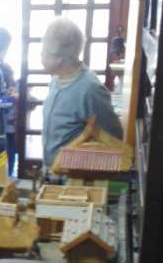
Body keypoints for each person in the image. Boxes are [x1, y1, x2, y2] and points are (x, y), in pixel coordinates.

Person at [41, 17, 123, 168]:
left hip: (73, 176)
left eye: (43, 52)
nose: (40, 56)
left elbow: (114, 138)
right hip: (51, 172)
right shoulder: (57, 78)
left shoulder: (90, 89)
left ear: (58, 58)